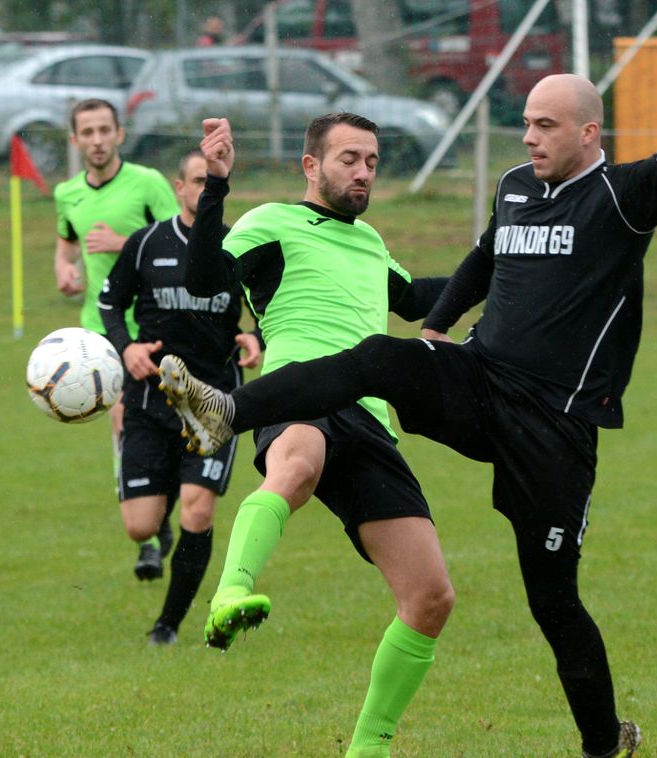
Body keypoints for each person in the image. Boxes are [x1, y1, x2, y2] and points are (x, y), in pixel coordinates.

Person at [159, 47, 657, 758]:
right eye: (526, 123)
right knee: (373, 362)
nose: (528, 137)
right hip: (480, 380)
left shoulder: (622, 194)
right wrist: (436, 326)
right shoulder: (517, 185)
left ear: (588, 133)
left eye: (545, 125)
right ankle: (224, 413)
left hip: (553, 425)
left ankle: (601, 742)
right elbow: (487, 258)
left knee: (551, 599)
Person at [172, 112, 454, 757]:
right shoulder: (272, 221)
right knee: (296, 465)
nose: (362, 173)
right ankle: (230, 592)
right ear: (311, 165)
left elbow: (418, 302)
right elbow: (205, 280)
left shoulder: (372, 241)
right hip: (297, 390)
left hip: (370, 416)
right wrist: (216, 186)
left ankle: (369, 748)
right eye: (349, 159)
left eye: (372, 163)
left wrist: (508, 263)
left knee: (431, 596)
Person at [98, 150, 262, 644]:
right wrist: (126, 350)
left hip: (215, 402)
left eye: (211, 183)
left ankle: (167, 626)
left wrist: (259, 337)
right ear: (179, 187)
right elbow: (110, 304)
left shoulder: (239, 246)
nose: (202, 190)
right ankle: (159, 522)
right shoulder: (146, 244)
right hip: (150, 401)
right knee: (140, 526)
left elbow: (271, 307)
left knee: (199, 509)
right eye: (196, 181)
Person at [53, 98, 181, 579]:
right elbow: (66, 248)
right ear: (75, 140)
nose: (97, 140)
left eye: (105, 130)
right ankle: (148, 538)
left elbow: (178, 238)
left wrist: (122, 243)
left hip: (154, 323)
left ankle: (158, 510)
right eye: (87, 132)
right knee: (120, 422)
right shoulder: (68, 193)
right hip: (101, 329)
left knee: (164, 425)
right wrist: (67, 273)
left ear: (120, 134)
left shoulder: (147, 183)